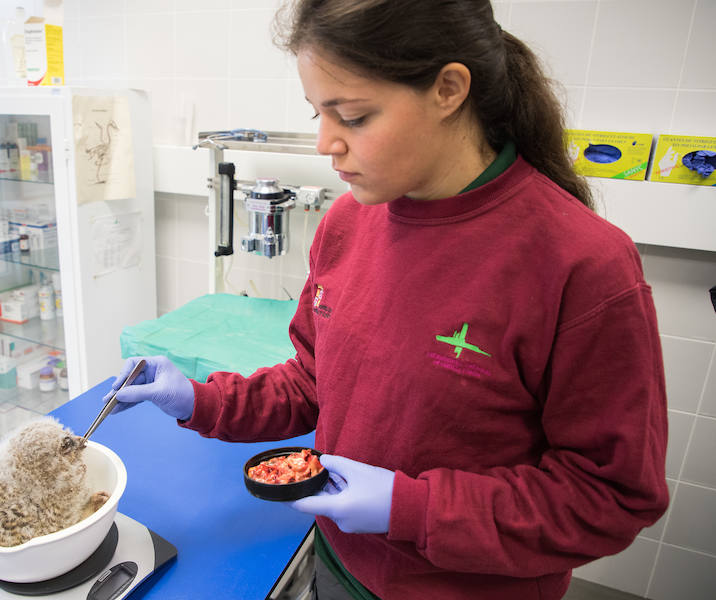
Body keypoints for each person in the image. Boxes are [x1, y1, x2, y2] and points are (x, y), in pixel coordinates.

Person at [104, 1, 669, 598]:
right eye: (317, 113)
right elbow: (315, 383)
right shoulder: (349, 222)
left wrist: (414, 508)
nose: (326, 144)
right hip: (337, 562)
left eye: (352, 116)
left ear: (449, 89)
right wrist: (200, 399)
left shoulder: (582, 264)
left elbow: (607, 497)